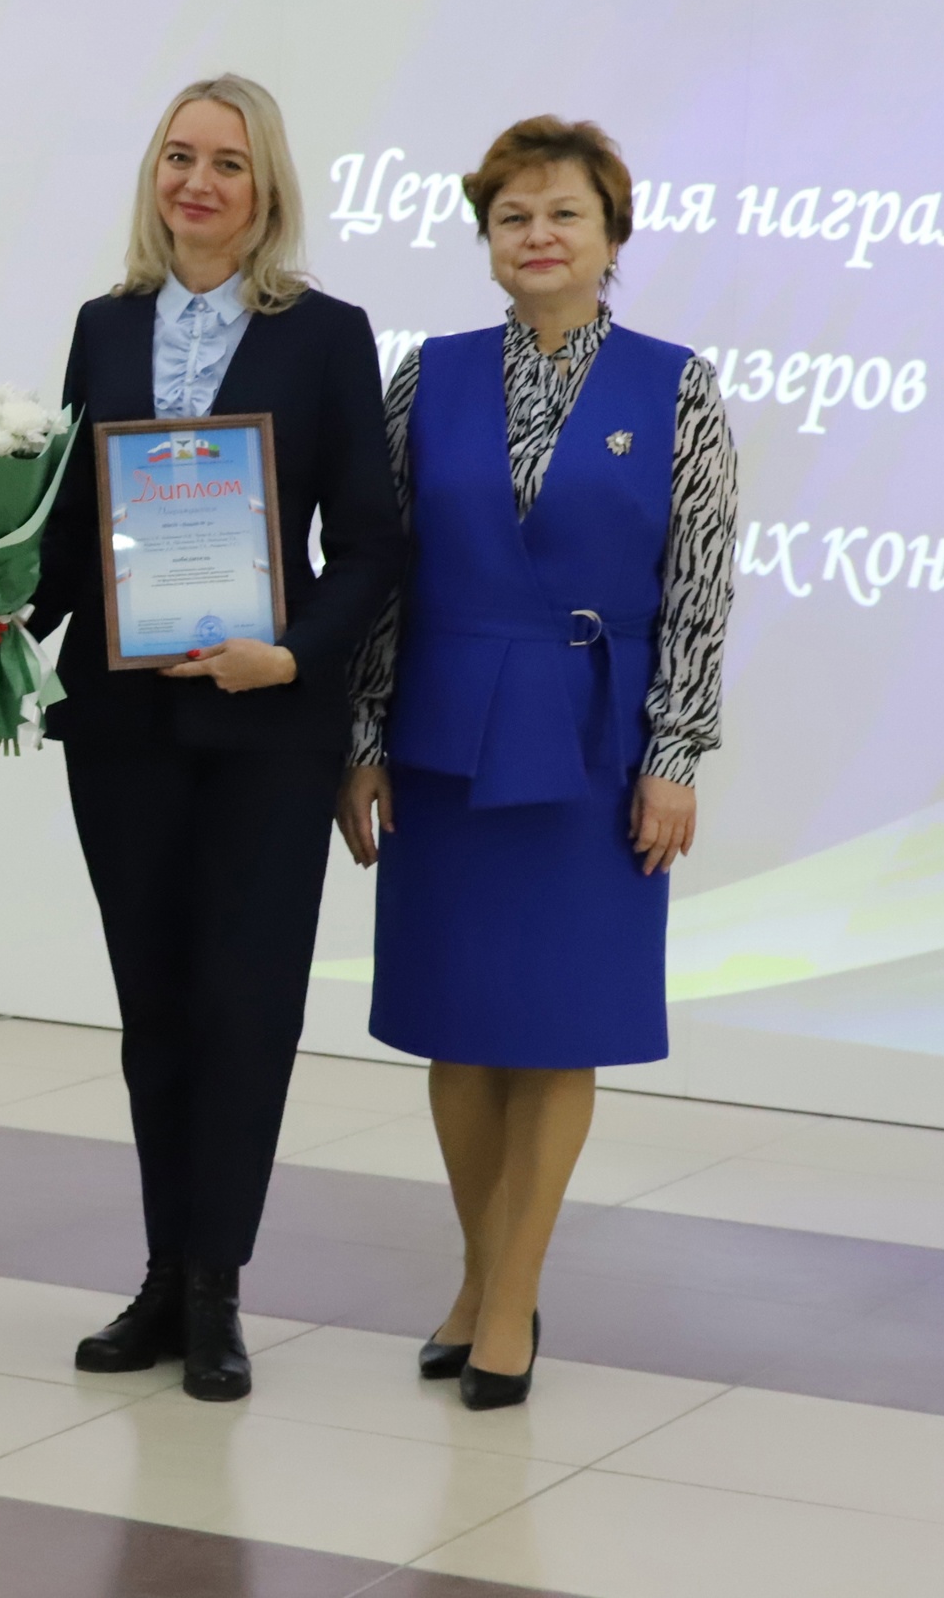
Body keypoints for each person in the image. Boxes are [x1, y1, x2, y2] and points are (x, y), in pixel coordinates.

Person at [0, 75, 404, 1401]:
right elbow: (66, 525)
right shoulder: (106, 326)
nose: (198, 182)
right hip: (121, 718)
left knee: (246, 1002)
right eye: (178, 158)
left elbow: (375, 544)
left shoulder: (327, 332)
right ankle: (163, 1275)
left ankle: (218, 1286)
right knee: (155, 1004)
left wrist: (294, 653)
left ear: (265, 187)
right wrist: (6, 602)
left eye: (226, 162)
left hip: (268, 722)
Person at [338, 116, 739, 1410]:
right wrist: (360, 740)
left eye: (563, 213)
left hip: (593, 739)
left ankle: (510, 1299)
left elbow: (697, 592)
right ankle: (478, 1271)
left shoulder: (677, 387)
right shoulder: (430, 376)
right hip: (446, 733)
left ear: (610, 234)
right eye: (513, 217)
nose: (539, 236)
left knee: (558, 1027)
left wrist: (674, 752)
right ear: (489, 240)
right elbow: (382, 573)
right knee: (460, 1026)